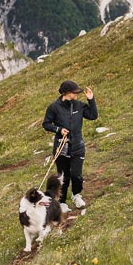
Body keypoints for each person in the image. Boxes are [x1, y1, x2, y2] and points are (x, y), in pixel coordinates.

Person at [42, 80, 98, 209]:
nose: (77, 94)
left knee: (76, 175)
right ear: (66, 93)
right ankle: (61, 202)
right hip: (61, 147)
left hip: (78, 146)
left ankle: (76, 195)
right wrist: (58, 130)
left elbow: (93, 116)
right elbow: (46, 124)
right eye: (75, 92)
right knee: (63, 176)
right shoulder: (54, 107)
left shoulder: (79, 105)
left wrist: (91, 100)